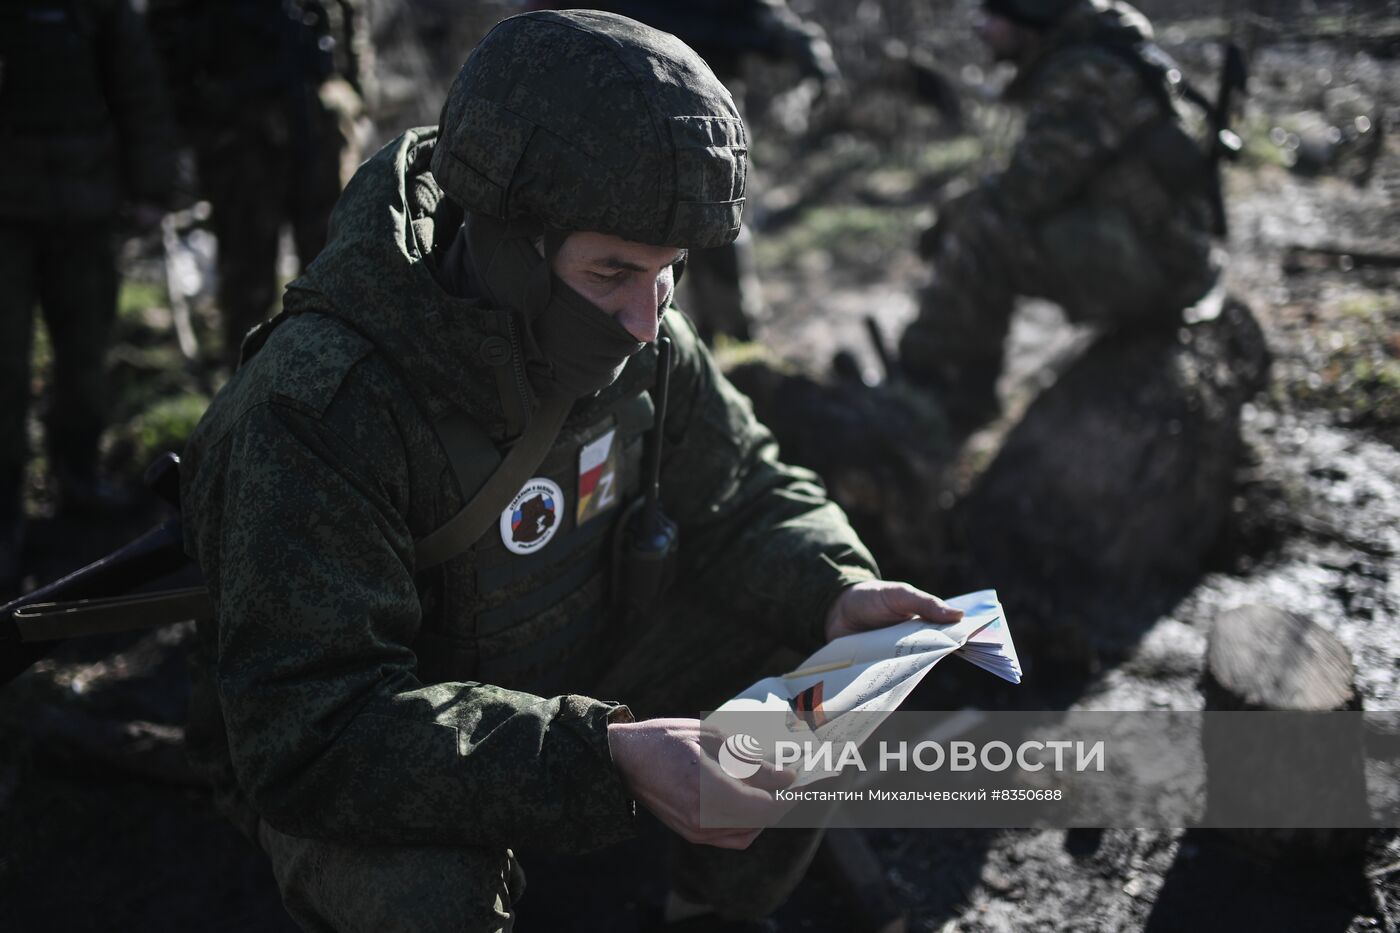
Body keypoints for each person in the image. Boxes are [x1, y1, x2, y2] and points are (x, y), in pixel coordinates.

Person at [180, 10, 960, 931]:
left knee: (821, 680)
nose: (645, 318)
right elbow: (312, 730)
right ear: (507, 242)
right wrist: (604, 756)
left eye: (668, 275)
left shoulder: (647, 330)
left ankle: (712, 913)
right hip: (385, 741)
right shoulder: (322, 405)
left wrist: (838, 590)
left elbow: (745, 487)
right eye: (611, 274)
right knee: (421, 899)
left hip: (582, 672)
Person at [898, 0, 1222, 431]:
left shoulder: (1082, 73)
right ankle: (953, 388)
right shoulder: (1094, 56)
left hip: (1161, 275)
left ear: (1031, 21)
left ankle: (932, 390)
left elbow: (1029, 189)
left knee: (982, 228)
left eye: (994, 17)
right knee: (979, 216)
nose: (981, 28)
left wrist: (952, 213)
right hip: (1163, 256)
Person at [532, 0, 842, 344]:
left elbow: (766, 18)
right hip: (610, 106)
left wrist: (804, 50)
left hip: (706, 106)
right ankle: (661, 337)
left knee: (719, 226)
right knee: (628, 238)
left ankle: (728, 334)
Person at [0, 0, 178, 591]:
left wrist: (152, 186)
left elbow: (136, 82)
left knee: (84, 359)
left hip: (85, 202)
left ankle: (77, 479)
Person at [146, 0, 371, 367]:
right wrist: (202, 117)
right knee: (249, 288)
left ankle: (340, 387)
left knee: (336, 272)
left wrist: (352, 96)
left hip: (318, 125)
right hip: (240, 137)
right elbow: (163, 44)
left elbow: (349, 18)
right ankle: (250, 400)